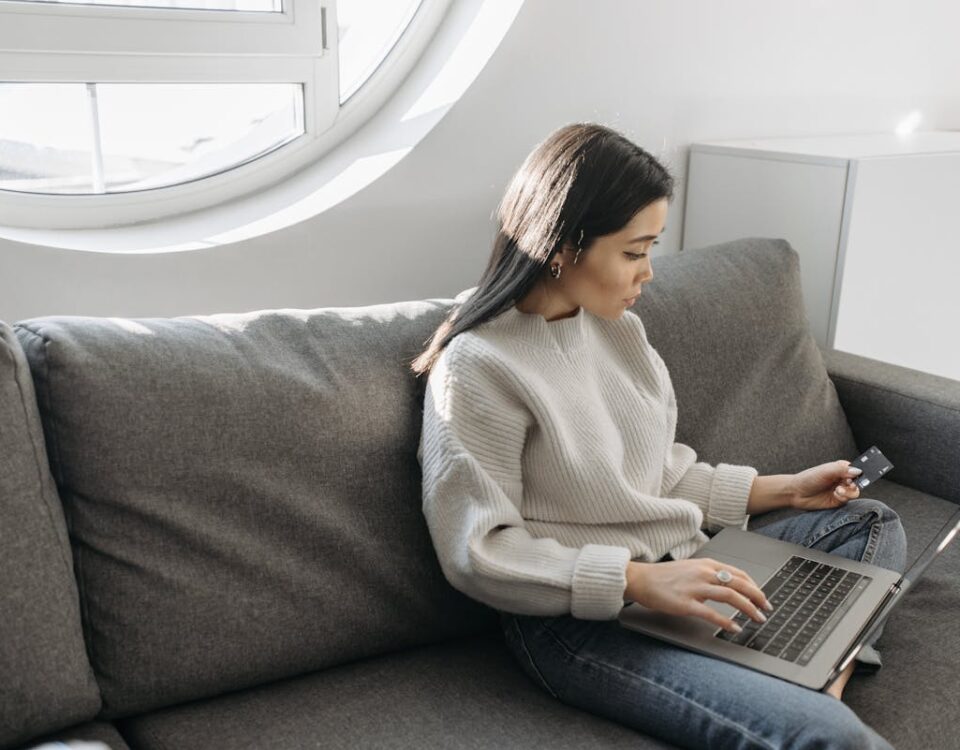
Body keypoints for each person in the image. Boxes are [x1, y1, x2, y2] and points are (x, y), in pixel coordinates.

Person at [410, 123, 906, 750]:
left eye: (651, 248)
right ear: (563, 244)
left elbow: (659, 477)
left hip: (684, 564)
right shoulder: (478, 365)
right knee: (829, 736)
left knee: (869, 524)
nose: (648, 273)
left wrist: (786, 491)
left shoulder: (618, 331)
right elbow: (477, 552)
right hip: (581, 620)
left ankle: (814, 668)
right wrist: (636, 582)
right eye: (634, 250)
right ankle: (816, 683)